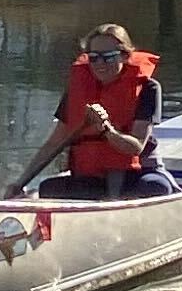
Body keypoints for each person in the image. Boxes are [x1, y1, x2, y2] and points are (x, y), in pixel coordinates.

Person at [53, 21, 175, 194]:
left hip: (138, 171)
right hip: (92, 174)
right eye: (93, 57)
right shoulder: (77, 89)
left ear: (125, 56)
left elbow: (137, 146)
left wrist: (107, 129)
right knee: (49, 189)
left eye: (109, 56)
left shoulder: (148, 88)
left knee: (155, 187)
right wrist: (19, 183)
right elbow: (54, 142)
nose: (100, 64)